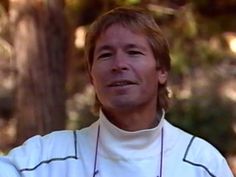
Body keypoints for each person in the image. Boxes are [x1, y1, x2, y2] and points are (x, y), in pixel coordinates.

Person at [0, 6, 234, 177]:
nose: (119, 64)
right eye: (105, 54)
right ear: (92, 76)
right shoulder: (43, 160)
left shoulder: (201, 164)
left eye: (133, 52)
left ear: (161, 70)